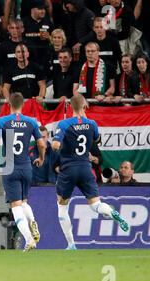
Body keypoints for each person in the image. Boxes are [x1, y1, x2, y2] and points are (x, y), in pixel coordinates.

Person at [51, 94, 129, 250]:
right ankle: (112, 212)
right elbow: (96, 139)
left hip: (68, 169)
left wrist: (62, 145)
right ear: (85, 106)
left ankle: (71, 244)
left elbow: (54, 145)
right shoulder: (92, 123)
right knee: (95, 204)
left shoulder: (65, 123)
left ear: (69, 107)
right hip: (86, 169)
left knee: (62, 205)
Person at [0, 92, 46, 252]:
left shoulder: (2, 121)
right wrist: (41, 159)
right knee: (24, 202)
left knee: (15, 206)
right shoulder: (31, 121)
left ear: (8, 104)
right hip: (26, 166)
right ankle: (32, 221)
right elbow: (41, 144)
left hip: (10, 167)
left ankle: (29, 239)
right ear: (23, 104)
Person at [0, 18, 25, 98]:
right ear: (8, 29)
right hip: (8, 84)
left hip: (25, 81)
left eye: (17, 28)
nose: (15, 31)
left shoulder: (28, 45)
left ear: (22, 29)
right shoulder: (3, 46)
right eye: (12, 28)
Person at [22, 0, 54, 74]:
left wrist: (49, 37)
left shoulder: (48, 22)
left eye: (44, 9)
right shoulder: (24, 22)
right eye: (40, 9)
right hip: (29, 58)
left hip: (44, 58)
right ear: (32, 9)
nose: (43, 11)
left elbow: (58, 41)